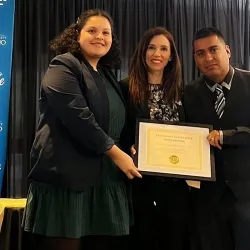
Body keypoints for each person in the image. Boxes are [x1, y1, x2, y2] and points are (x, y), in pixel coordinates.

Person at [22, 9, 142, 250]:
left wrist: (130, 145)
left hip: (105, 182)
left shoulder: (107, 75)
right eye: (92, 31)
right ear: (77, 35)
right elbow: (79, 118)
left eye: (106, 33)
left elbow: (117, 122)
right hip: (68, 183)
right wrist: (118, 154)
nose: (100, 37)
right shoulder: (63, 66)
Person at [120, 27, 189, 250]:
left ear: (171, 56)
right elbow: (117, 131)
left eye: (163, 49)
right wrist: (127, 145)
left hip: (177, 185)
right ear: (142, 52)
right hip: (140, 183)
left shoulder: (183, 92)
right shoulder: (125, 88)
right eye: (151, 47)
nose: (156, 53)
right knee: (142, 239)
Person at [184, 27, 250, 250]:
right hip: (206, 200)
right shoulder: (188, 93)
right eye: (200, 53)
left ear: (228, 50)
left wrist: (227, 136)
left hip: (246, 194)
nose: (208, 57)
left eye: (213, 49)